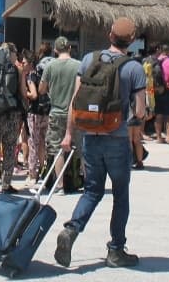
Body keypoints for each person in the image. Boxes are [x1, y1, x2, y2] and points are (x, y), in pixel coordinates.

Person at [55, 17, 149, 269]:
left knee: (92, 191)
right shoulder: (134, 68)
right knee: (120, 195)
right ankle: (116, 250)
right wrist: (136, 118)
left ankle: (71, 231)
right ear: (131, 41)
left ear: (109, 35)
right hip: (117, 140)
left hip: (90, 138)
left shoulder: (88, 60)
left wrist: (68, 134)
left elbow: (75, 102)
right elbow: (140, 111)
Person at [0, 42, 27, 195]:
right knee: (9, 149)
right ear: (10, 53)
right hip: (10, 114)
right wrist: (22, 75)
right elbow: (22, 92)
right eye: (15, 52)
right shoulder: (15, 69)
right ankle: (6, 184)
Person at [41, 37, 82, 172]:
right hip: (75, 112)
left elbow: (42, 89)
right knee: (78, 148)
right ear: (69, 48)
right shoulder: (79, 65)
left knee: (57, 148)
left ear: (55, 50)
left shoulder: (50, 66)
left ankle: (59, 184)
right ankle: (80, 178)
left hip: (56, 112)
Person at [24, 42, 52, 185]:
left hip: (35, 112)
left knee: (33, 144)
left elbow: (34, 95)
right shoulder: (52, 70)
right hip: (48, 111)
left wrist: (25, 92)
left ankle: (33, 175)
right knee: (44, 143)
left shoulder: (33, 74)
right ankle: (45, 171)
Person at [152, 45, 169, 144]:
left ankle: (159, 137)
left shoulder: (154, 61)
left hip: (157, 89)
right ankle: (168, 137)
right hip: (168, 88)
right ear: (168, 51)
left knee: (158, 114)